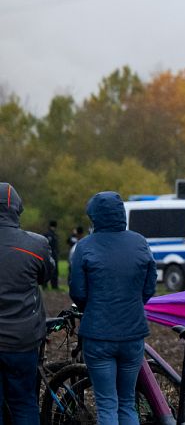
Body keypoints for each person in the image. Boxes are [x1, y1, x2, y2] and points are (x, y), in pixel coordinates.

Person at [69, 191, 158, 425]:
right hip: (133, 333)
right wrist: (133, 303)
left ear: (94, 216)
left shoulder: (84, 246)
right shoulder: (139, 242)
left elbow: (77, 291)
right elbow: (150, 285)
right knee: (127, 402)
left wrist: (92, 308)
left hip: (98, 334)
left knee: (107, 404)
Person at [0, 182, 53, 425]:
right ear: (17, 209)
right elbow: (46, 276)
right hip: (22, 340)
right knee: (24, 403)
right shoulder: (36, 244)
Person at [43, 220, 60, 290]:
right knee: (54, 271)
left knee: (46, 270)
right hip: (53, 255)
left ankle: (45, 286)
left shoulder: (45, 234)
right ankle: (54, 286)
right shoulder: (53, 235)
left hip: (46, 254)